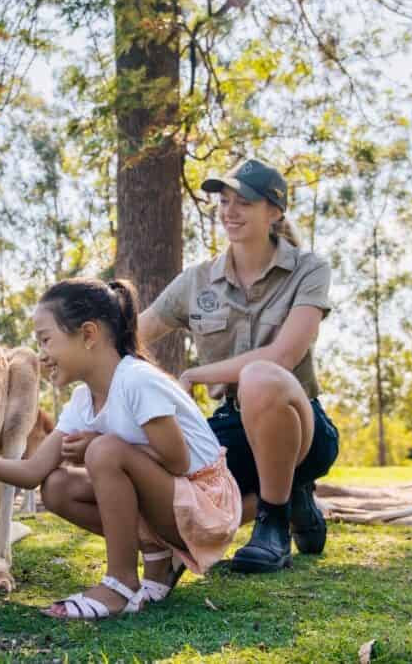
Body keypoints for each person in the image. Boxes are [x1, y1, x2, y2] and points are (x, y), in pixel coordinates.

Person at [0, 278, 241, 620]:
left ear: (88, 335)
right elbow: (32, 473)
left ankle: (119, 583)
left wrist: (98, 447)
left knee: (104, 452)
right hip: (172, 504)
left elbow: (177, 460)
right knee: (57, 486)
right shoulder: (83, 401)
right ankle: (158, 557)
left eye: (46, 340)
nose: (41, 355)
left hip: (207, 507)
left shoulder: (137, 380)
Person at [139, 158, 340, 573]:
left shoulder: (309, 269)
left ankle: (273, 524)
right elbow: (133, 335)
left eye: (244, 202)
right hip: (234, 427)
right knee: (188, 483)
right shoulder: (196, 281)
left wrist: (196, 374)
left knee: (261, 376)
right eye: (224, 201)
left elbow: (283, 356)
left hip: (303, 425)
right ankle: (293, 493)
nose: (229, 211)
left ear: (275, 212)